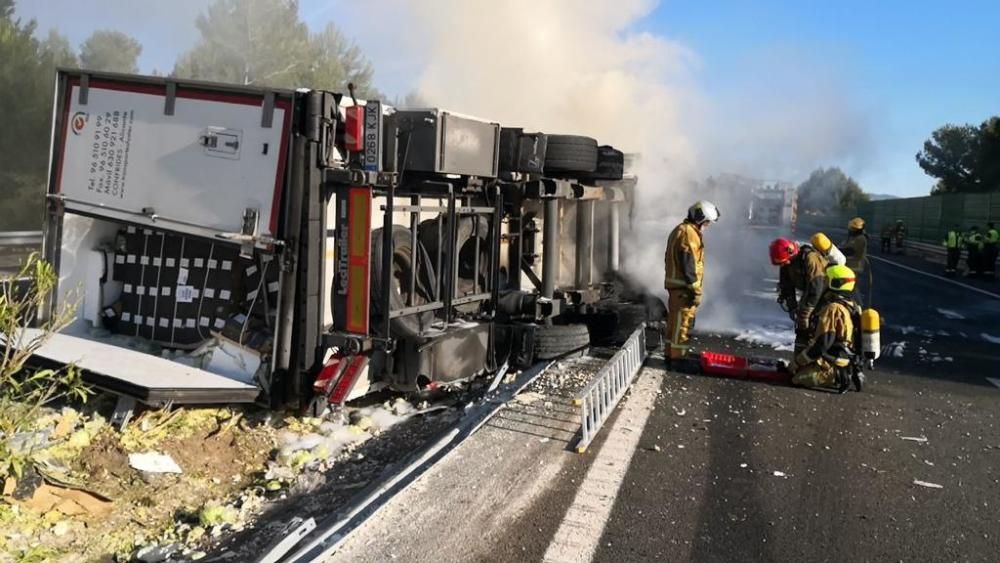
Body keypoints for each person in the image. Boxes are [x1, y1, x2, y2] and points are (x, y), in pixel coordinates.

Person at [787, 264, 863, 392]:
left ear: (836, 283)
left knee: (796, 378)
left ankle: (835, 377)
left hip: (834, 362)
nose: (824, 284)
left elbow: (822, 343)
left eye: (827, 280)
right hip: (845, 360)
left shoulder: (833, 309)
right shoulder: (853, 306)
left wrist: (798, 362)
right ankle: (840, 373)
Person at [664, 200, 720, 362]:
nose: (707, 226)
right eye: (707, 223)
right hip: (684, 288)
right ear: (701, 219)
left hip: (677, 287)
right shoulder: (689, 233)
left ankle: (671, 353)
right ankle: (679, 358)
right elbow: (689, 263)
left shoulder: (680, 230)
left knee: (674, 324)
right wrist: (695, 289)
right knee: (683, 324)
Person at [770, 237, 828, 355]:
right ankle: (800, 359)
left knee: (817, 329)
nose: (784, 265)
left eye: (784, 261)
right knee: (802, 329)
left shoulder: (810, 259)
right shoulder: (787, 262)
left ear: (791, 252)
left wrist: (806, 312)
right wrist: (792, 307)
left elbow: (816, 288)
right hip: (809, 293)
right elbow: (786, 286)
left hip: (825, 295)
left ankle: (817, 360)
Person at [841, 217, 869, 305]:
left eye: (852, 228)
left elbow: (850, 250)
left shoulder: (860, 238)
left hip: (854, 266)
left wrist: (839, 251)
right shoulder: (853, 237)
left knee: (851, 289)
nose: (850, 230)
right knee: (849, 288)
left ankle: (859, 307)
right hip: (849, 266)